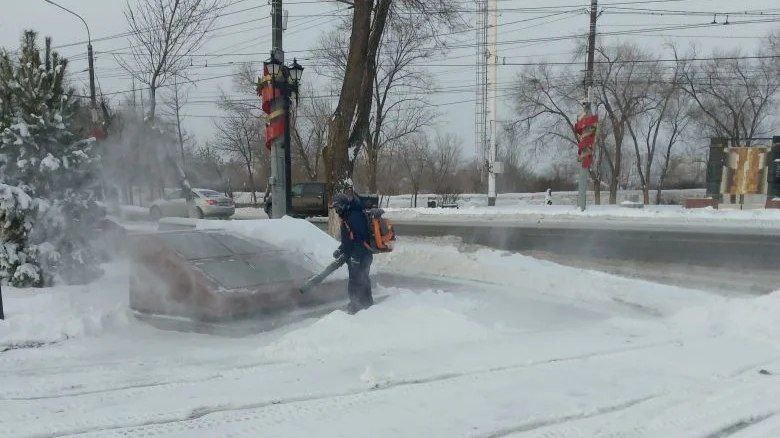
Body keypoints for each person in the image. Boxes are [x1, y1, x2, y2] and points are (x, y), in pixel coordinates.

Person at [332, 191, 373, 314]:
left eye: (338, 207)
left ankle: (356, 307)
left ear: (344, 205)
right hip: (359, 255)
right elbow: (349, 239)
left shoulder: (354, 217)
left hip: (361, 256)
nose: (336, 210)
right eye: (335, 208)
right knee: (361, 280)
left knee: (357, 282)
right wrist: (341, 249)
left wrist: (356, 257)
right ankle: (367, 305)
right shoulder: (348, 216)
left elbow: (360, 239)